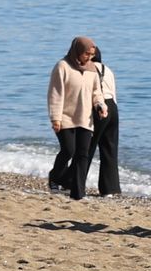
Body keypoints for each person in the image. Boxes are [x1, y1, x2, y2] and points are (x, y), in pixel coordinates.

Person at [47, 37, 101, 200]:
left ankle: (78, 193)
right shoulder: (62, 66)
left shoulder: (92, 69)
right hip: (65, 118)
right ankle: (55, 176)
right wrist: (56, 118)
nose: (89, 58)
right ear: (77, 50)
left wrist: (100, 106)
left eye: (92, 55)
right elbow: (55, 94)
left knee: (82, 155)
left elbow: (96, 92)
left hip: (85, 119)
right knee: (69, 150)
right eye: (86, 54)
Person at [89, 46, 121, 196]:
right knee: (110, 150)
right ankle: (111, 189)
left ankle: (76, 183)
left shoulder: (88, 69)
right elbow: (114, 93)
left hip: (98, 107)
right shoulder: (108, 70)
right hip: (113, 108)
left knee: (86, 148)